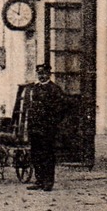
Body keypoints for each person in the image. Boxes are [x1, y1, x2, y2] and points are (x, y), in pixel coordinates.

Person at [23, 63, 68, 191]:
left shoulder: (54, 89)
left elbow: (62, 108)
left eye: (44, 74)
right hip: (35, 127)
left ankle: (48, 182)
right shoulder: (34, 89)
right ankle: (39, 180)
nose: (41, 76)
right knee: (36, 154)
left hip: (47, 129)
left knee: (47, 154)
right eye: (39, 74)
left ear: (49, 74)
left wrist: (53, 122)